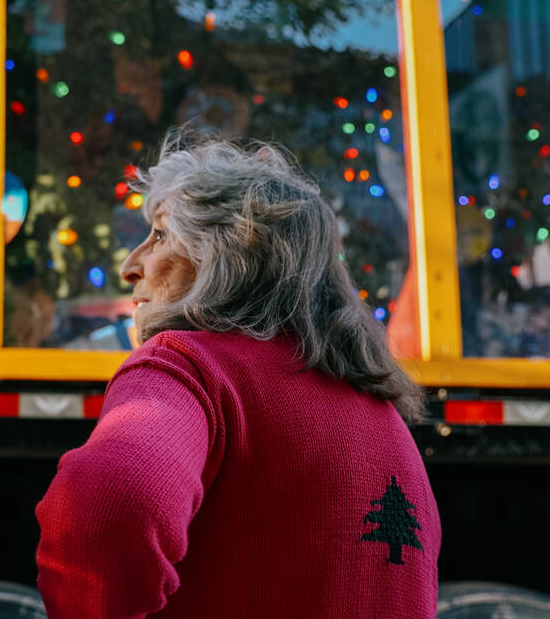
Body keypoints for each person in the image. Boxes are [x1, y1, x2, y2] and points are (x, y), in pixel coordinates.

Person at [35, 134, 440, 618]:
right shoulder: (382, 416)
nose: (130, 265)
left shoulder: (186, 366)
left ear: (225, 253)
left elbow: (106, 510)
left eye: (160, 236)